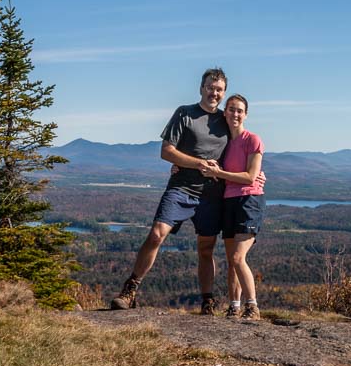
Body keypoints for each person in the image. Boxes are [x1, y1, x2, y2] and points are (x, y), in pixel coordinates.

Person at [111, 68, 230, 314]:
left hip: (211, 193)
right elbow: (166, 151)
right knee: (156, 234)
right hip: (181, 187)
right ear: (201, 88)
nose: (214, 93)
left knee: (206, 248)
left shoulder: (226, 120)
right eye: (210, 87)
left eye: (219, 89)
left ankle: (208, 301)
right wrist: (196, 163)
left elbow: (239, 151)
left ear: (223, 93)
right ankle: (130, 289)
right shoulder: (185, 113)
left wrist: (255, 171)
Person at [201, 94, 265, 320]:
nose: (235, 114)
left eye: (239, 110)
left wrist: (219, 173)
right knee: (231, 261)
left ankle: (252, 306)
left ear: (245, 114)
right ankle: (234, 306)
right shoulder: (224, 143)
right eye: (231, 110)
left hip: (249, 201)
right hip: (228, 201)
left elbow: (250, 177)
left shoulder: (252, 139)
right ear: (224, 112)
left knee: (238, 257)